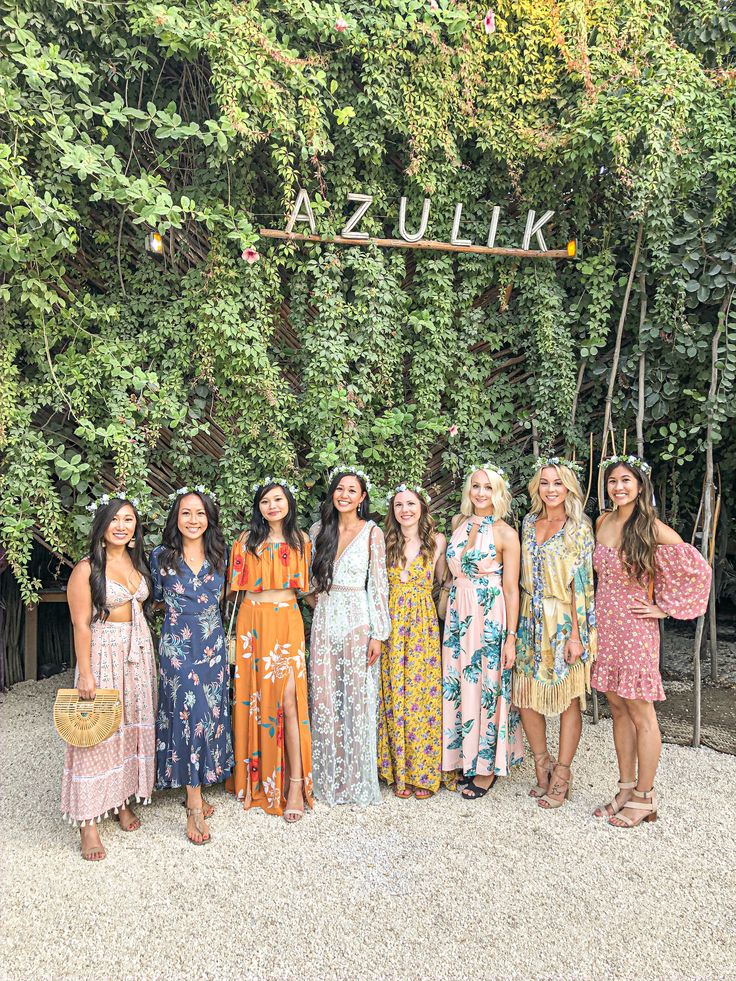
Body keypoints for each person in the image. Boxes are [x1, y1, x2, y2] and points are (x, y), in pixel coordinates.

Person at [592, 456, 711, 828]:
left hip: (635, 630)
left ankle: (645, 795)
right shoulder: (602, 521)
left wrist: (664, 608)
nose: (619, 487)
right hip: (606, 628)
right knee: (616, 705)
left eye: (626, 480)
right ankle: (625, 786)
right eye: (612, 481)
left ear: (640, 486)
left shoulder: (652, 529)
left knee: (640, 710)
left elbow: (698, 571)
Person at [62, 494, 157, 861]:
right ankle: (87, 821)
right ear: (102, 526)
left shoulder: (137, 562)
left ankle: (120, 801)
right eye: (115, 519)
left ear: (135, 528)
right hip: (104, 654)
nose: (122, 526)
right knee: (98, 732)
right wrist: (85, 673)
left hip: (138, 653)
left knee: (131, 725)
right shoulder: (87, 569)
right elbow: (81, 624)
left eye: (128, 520)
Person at [225, 478, 313, 822]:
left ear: (288, 503)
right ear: (258, 507)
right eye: (265, 501)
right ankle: (254, 778)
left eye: (277, 499)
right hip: (252, 623)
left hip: (287, 622)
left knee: (288, 701)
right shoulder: (246, 542)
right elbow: (234, 591)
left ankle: (293, 785)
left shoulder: (301, 541)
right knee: (255, 700)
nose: (272, 506)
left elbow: (306, 589)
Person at [150, 486, 233, 845]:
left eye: (200, 513)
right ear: (176, 518)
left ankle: (194, 785)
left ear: (209, 517)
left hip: (213, 645)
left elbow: (228, 597)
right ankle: (194, 805)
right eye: (186, 513)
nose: (193, 520)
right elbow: (152, 599)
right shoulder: (160, 557)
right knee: (186, 713)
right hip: (178, 646)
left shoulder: (222, 555)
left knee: (209, 713)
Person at [514, 458, 597, 809]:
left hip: (564, 619)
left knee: (567, 699)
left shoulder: (579, 526)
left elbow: (582, 584)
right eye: (545, 483)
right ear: (538, 488)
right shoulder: (528, 522)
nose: (551, 489)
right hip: (529, 617)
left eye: (558, 483)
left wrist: (577, 636)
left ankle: (562, 774)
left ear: (569, 489)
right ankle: (542, 764)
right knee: (526, 696)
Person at [306, 467, 390, 805]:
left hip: (359, 619)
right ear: (333, 494)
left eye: (352, 491)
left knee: (358, 699)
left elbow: (379, 585)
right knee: (325, 699)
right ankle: (328, 778)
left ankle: (356, 781)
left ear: (362, 497)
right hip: (325, 619)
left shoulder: (373, 533)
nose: (345, 495)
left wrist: (378, 634)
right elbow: (307, 584)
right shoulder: (317, 531)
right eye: (340, 489)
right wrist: (320, 604)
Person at [442, 464, 524, 798]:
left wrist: (511, 638)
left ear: (498, 493)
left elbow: (512, 589)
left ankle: (487, 767)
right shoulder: (457, 524)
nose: (480, 493)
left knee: (487, 685)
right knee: (460, 682)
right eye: (475, 486)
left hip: (489, 615)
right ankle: (465, 758)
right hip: (458, 613)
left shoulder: (506, 533)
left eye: (487, 488)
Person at [378, 483, 447, 799]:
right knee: (395, 694)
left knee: (421, 696)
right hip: (391, 621)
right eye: (398, 505)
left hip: (421, 624)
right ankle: (398, 772)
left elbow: (448, 579)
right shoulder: (386, 542)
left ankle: (423, 772)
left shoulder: (438, 542)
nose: (404, 510)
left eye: (410, 504)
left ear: (422, 507)